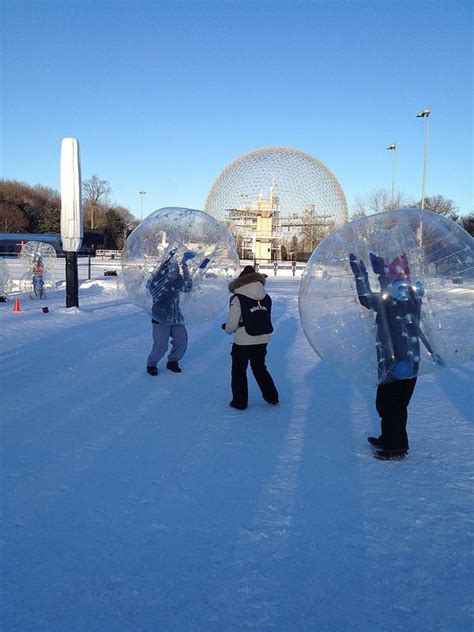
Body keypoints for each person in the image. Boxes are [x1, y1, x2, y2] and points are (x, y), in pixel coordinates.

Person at [349, 252, 443, 460]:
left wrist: (362, 275)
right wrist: (379, 274)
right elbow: (385, 296)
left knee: (393, 406)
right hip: (398, 359)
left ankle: (395, 447)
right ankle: (389, 437)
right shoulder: (407, 296)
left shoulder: (398, 299)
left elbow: (367, 299)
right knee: (387, 403)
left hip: (400, 361)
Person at [222, 265, 279, 410]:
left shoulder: (237, 297)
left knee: (239, 370)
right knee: (260, 368)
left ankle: (239, 402)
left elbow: (232, 324)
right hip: (262, 339)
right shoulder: (266, 297)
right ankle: (272, 397)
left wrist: (226, 328)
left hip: (243, 340)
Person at [145, 250, 195, 376]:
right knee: (161, 345)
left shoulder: (178, 283)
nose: (173, 274)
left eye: (176, 272)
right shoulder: (157, 284)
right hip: (160, 316)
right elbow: (150, 283)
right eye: (171, 272)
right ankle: (152, 364)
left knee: (181, 340)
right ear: (166, 272)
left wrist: (184, 265)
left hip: (175, 316)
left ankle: (173, 361)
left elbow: (188, 286)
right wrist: (168, 259)